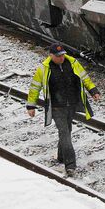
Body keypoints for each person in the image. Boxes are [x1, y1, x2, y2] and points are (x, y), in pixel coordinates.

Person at [26, 43, 100, 176]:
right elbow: (34, 88)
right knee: (65, 132)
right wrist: (31, 106)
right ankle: (70, 165)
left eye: (63, 55)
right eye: (59, 56)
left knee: (67, 131)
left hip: (71, 104)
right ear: (51, 55)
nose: (62, 58)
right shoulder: (43, 69)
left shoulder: (73, 63)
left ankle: (61, 156)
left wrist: (93, 90)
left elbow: (85, 78)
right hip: (56, 107)